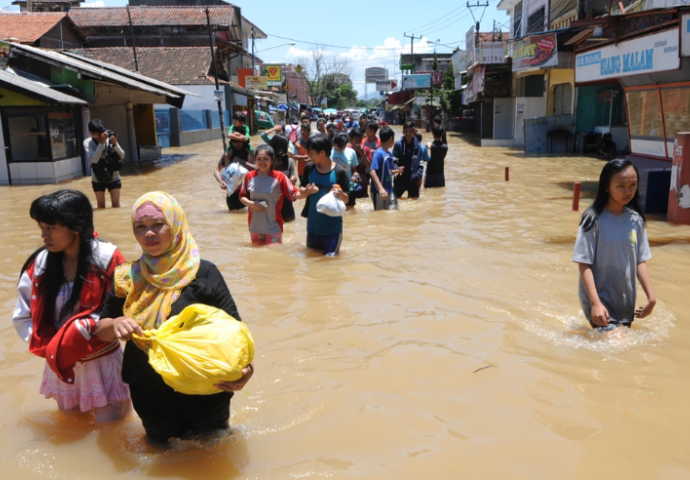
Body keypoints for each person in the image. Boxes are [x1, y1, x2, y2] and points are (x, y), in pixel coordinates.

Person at [96, 192, 253, 446]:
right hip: (149, 388)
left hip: (205, 385)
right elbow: (101, 330)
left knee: (214, 450)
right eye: (141, 227)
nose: (149, 234)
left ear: (175, 225)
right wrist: (114, 325)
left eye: (158, 224)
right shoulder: (127, 277)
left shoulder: (205, 273)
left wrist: (246, 370)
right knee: (161, 453)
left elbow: (235, 330)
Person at [13, 190, 130, 422]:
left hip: (105, 365)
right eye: (41, 227)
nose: (44, 235)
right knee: (72, 434)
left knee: (112, 437)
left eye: (51, 228)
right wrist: (53, 348)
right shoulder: (40, 265)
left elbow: (129, 311)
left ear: (75, 226)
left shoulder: (108, 258)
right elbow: (24, 317)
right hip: (61, 368)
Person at [572, 159, 656, 332]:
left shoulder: (636, 220)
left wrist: (651, 297)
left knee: (618, 348)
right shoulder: (593, 219)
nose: (628, 191)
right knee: (620, 347)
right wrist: (595, 303)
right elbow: (584, 263)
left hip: (625, 300)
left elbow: (640, 260)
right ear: (606, 187)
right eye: (621, 186)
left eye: (633, 185)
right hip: (599, 299)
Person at [239, 145, 302, 245]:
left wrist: (306, 192)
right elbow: (242, 196)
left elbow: (294, 193)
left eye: (265, 159)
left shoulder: (280, 176)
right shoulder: (249, 176)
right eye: (259, 159)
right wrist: (252, 204)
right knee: (256, 258)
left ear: (272, 160)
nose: (262, 162)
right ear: (255, 160)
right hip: (255, 227)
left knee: (274, 257)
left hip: (274, 228)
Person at [299, 134, 349, 256]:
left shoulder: (339, 171)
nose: (309, 156)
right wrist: (307, 191)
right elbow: (301, 190)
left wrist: (341, 194)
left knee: (330, 261)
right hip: (313, 226)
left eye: (311, 152)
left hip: (333, 227)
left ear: (322, 152)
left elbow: (347, 200)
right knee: (312, 261)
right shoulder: (309, 168)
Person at [85, 119, 125, 209]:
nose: (102, 136)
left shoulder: (109, 138)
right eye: (99, 134)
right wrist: (101, 143)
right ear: (91, 133)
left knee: (116, 206)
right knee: (101, 207)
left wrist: (115, 144)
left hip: (114, 176)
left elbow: (122, 156)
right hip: (97, 178)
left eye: (103, 133)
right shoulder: (88, 143)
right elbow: (94, 159)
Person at [214, 128, 256, 212]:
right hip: (232, 194)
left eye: (238, 141)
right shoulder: (228, 154)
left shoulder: (250, 153)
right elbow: (216, 170)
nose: (236, 144)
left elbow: (257, 169)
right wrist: (221, 181)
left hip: (247, 193)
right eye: (234, 141)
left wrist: (242, 161)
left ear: (243, 141)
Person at [369, 126, 401, 211]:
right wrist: (380, 188)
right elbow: (372, 172)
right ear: (391, 138)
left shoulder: (390, 154)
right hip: (379, 191)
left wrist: (396, 171)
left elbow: (387, 171)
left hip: (390, 190)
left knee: (394, 212)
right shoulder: (378, 153)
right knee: (380, 216)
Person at [269, 134, 299, 223]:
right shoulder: (267, 161)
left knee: (290, 230)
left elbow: (294, 178)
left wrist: (285, 182)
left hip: (286, 202)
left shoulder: (289, 161)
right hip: (271, 203)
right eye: (286, 145)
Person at [392, 122, 424, 200]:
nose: (408, 133)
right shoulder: (397, 145)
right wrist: (396, 169)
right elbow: (393, 161)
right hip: (399, 180)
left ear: (415, 132)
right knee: (395, 202)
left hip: (413, 181)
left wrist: (416, 177)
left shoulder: (418, 147)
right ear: (403, 132)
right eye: (406, 131)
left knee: (415, 205)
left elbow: (421, 165)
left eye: (411, 131)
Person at [331, 133, 359, 207]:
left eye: (343, 146)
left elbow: (354, 170)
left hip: (349, 186)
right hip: (333, 186)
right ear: (334, 143)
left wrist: (356, 176)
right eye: (338, 146)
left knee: (350, 209)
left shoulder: (351, 152)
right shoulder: (329, 152)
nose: (340, 148)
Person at [348, 127, 372, 197]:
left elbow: (370, 167)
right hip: (350, 182)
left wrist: (363, 155)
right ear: (351, 140)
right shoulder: (347, 150)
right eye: (356, 140)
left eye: (360, 140)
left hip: (362, 183)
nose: (358, 143)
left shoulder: (366, 150)